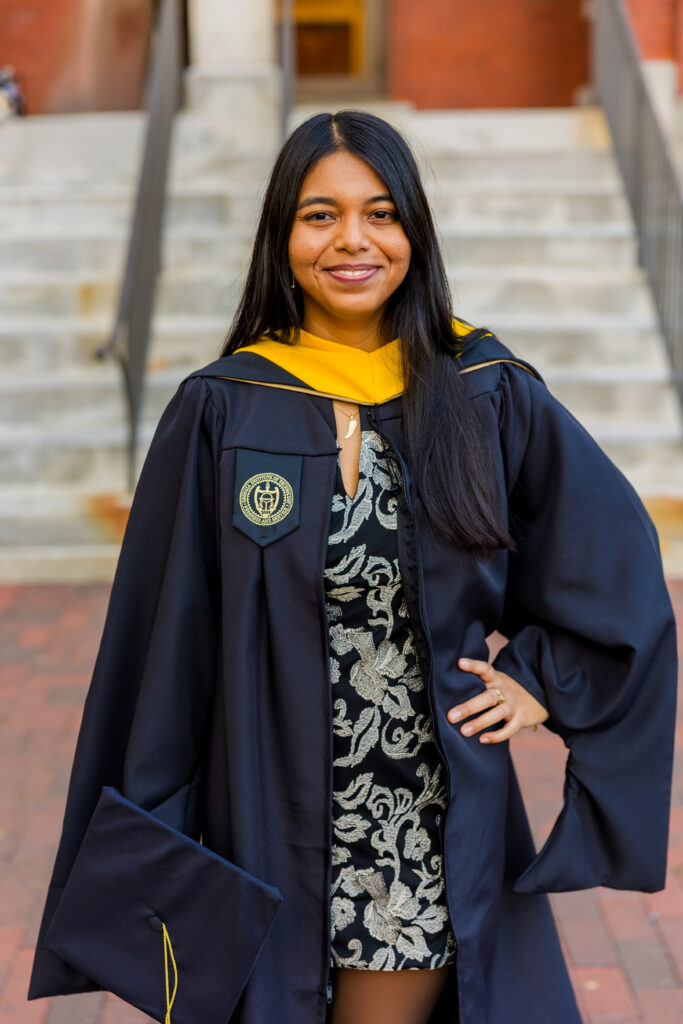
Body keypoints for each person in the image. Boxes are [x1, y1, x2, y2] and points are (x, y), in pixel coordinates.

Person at [27, 110, 678, 1024]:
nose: (352, 241)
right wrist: (155, 835)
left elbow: (610, 562)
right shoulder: (223, 410)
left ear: (413, 229)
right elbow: (160, 641)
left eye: (380, 213)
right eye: (319, 215)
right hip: (261, 802)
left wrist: (544, 682)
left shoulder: (482, 391)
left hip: (413, 806)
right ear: (281, 235)